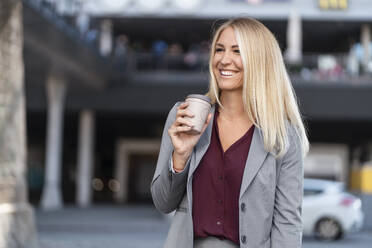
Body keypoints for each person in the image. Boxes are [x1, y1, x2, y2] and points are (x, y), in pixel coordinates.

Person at [151, 17, 309, 248]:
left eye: (237, 51)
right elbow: (163, 203)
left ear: (260, 59)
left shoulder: (283, 135)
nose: (224, 60)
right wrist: (180, 157)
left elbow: (287, 223)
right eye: (219, 50)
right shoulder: (185, 115)